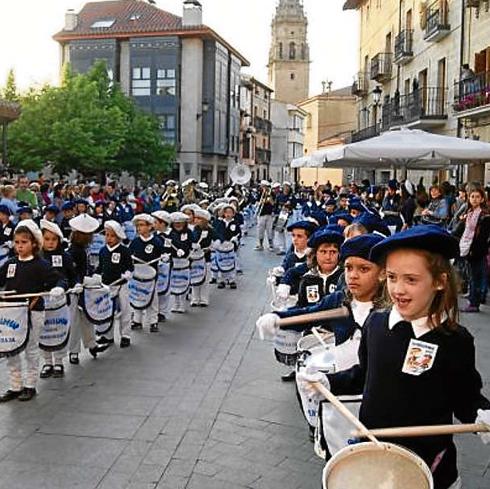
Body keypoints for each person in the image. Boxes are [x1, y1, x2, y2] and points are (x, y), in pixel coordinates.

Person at [307, 225, 490, 489]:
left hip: (429, 466)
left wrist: (480, 414)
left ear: (439, 281)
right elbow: (364, 374)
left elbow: (465, 398)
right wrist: (328, 383)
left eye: (411, 280)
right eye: (392, 277)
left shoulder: (454, 340)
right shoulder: (376, 323)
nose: (398, 289)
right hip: (373, 456)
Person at [0, 220, 66, 402]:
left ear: (34, 244)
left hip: (33, 311)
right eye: (17, 242)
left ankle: (30, 384)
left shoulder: (40, 264)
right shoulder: (10, 264)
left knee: (31, 349)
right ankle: (15, 385)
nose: (19, 246)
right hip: (11, 313)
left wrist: (58, 288)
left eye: (24, 242)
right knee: (10, 350)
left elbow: (59, 280)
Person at [67, 213, 108, 364]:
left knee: (87, 318)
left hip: (83, 287)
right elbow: (74, 273)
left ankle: (91, 344)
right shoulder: (75, 251)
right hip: (75, 289)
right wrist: (86, 280)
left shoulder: (82, 249)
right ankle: (74, 351)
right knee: (75, 321)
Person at [39, 220, 77, 378]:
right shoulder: (37, 256)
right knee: (43, 331)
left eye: (53, 240)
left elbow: (71, 275)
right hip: (42, 300)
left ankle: (59, 362)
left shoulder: (65, 256)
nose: (50, 243)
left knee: (59, 330)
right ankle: (47, 362)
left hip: (61, 299)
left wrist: (73, 286)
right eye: (46, 239)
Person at [97, 221, 134, 347]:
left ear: (118, 236)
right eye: (107, 235)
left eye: (112, 236)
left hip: (121, 285)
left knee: (124, 310)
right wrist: (94, 275)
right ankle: (107, 336)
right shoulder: (102, 251)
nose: (109, 238)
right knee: (107, 311)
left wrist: (128, 273)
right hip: (107, 286)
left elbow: (130, 267)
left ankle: (125, 335)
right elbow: (100, 267)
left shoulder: (124, 251)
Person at [129, 214, 165, 331]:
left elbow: (162, 254)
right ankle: (137, 320)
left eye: (142, 225)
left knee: (152, 298)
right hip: (138, 275)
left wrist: (164, 257)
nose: (139, 228)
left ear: (150, 227)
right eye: (137, 225)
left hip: (151, 275)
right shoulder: (135, 242)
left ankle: (153, 321)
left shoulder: (156, 241)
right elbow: (129, 255)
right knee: (137, 297)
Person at [458, 188, 490, 313]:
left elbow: (482, 237)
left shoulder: (484, 215)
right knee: (473, 275)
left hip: (477, 249)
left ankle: (474, 302)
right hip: (467, 246)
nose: (474, 199)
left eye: (477, 197)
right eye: (472, 196)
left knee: (476, 276)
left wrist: (474, 250)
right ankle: (473, 298)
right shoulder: (470, 212)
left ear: (482, 199)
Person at [296, 228, 344, 308]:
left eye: (333, 252)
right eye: (323, 252)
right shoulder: (307, 279)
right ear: (315, 254)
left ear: (339, 254)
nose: (328, 257)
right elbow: (301, 307)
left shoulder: (344, 278)